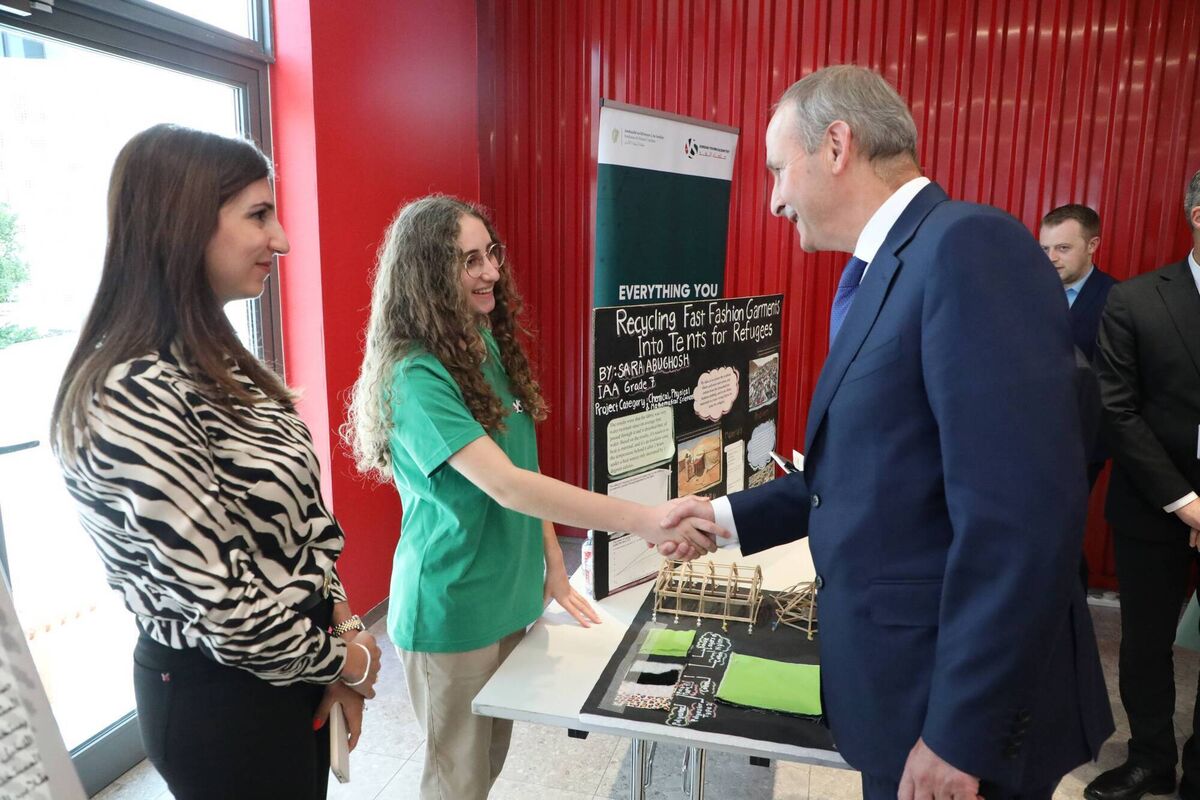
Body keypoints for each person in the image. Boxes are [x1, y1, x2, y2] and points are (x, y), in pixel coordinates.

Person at [662, 65, 1114, 800]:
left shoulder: (968, 248)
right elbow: (875, 471)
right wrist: (718, 516)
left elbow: (1019, 518)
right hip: (902, 692)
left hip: (953, 718)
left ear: (836, 145)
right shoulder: (890, 268)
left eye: (779, 170)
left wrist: (959, 733)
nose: (774, 199)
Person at [342, 194, 720, 800]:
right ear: (426, 276)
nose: (491, 271)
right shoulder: (413, 375)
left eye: (490, 253)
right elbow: (508, 485)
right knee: (455, 782)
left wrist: (553, 568)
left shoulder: (479, 342)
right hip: (453, 607)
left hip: (507, 596)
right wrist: (645, 520)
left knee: (486, 765)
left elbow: (525, 463)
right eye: (469, 261)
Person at [50, 124, 381, 800]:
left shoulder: (214, 359)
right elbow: (227, 609)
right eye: (258, 215)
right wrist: (344, 662)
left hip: (289, 670)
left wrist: (341, 628)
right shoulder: (130, 390)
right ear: (184, 224)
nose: (281, 239)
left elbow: (300, 530)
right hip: (226, 700)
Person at [1085, 168, 1200, 800]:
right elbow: (1117, 409)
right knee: (1147, 642)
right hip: (1156, 504)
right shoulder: (1135, 301)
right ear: (1198, 214)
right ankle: (1150, 756)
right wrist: (1187, 505)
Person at [1040, 203, 1117, 487]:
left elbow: (1113, 382)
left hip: (1079, 446)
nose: (1051, 258)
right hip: (1027, 438)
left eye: (1062, 248)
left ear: (1092, 245)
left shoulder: (1117, 300)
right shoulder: (1027, 292)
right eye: (1044, 249)